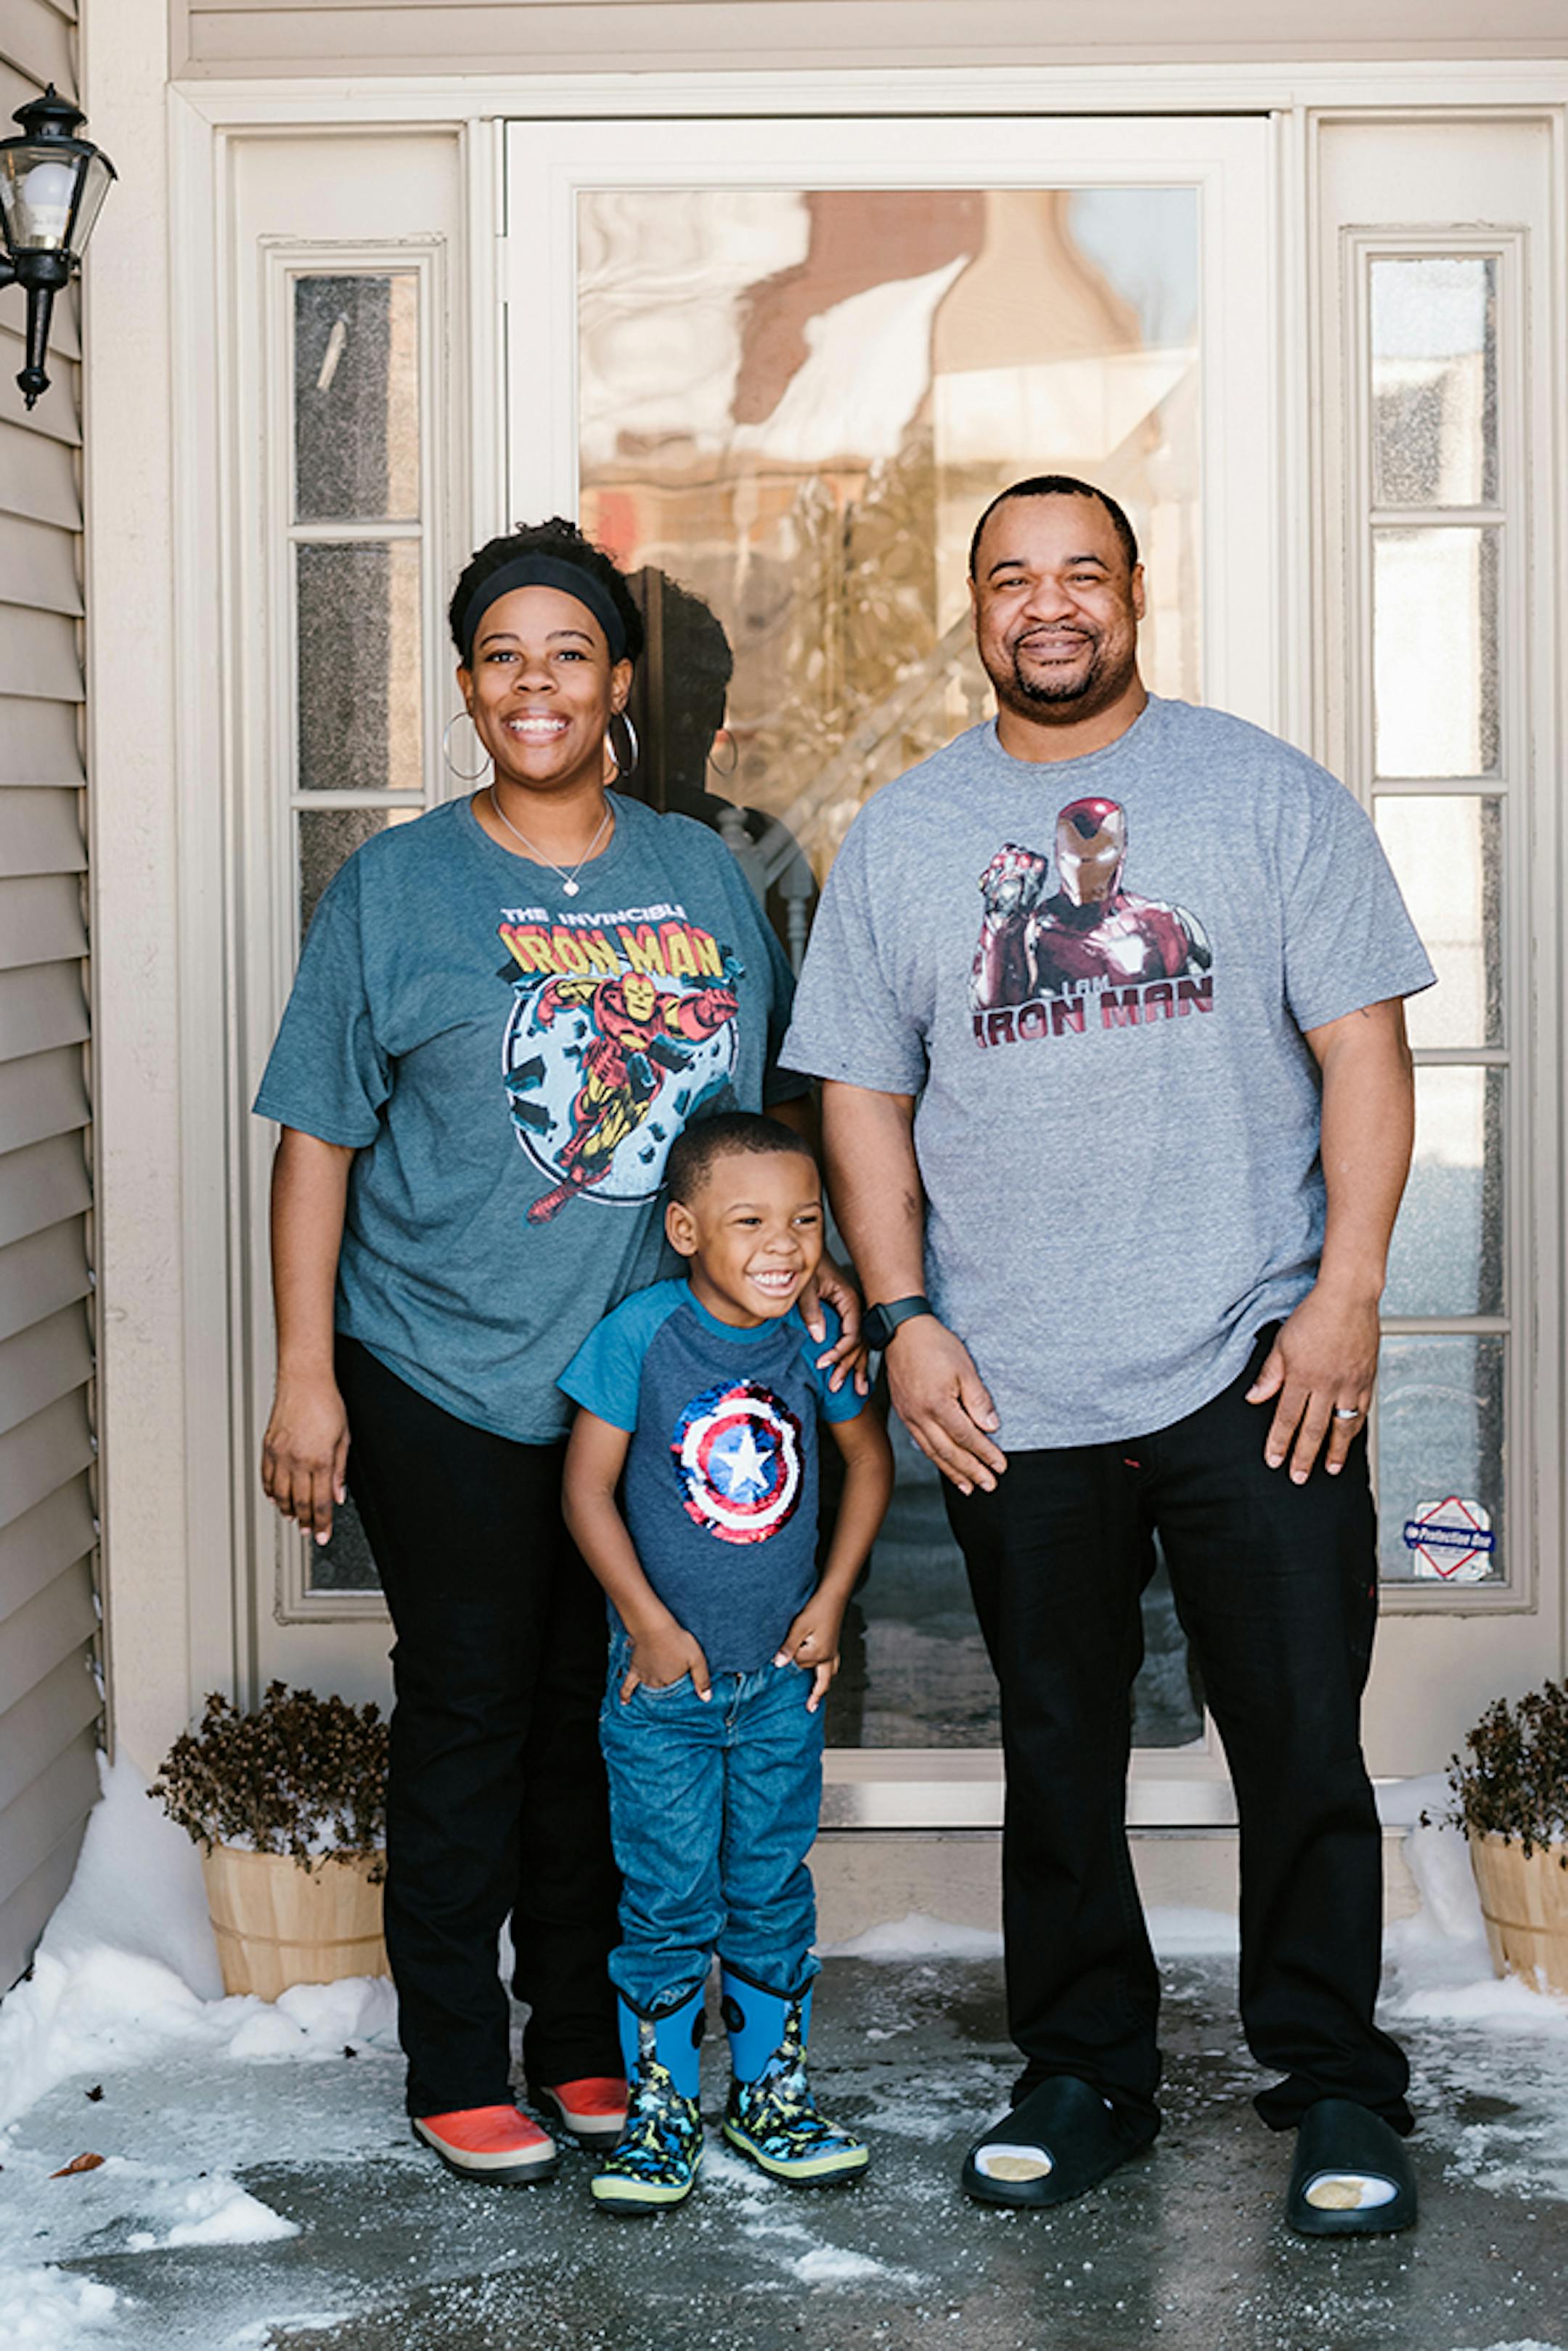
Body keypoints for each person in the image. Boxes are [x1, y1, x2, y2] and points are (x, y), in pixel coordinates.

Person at [780, 473, 1434, 2238]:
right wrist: (906, 1317)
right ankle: (1083, 2070)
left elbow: (1365, 1052)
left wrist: (1349, 1291)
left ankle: (1337, 2081)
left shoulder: (1264, 795)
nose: (1047, 602)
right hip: (1016, 1380)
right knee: (1057, 1743)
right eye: (1011, 577)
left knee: (1300, 1737)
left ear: (1139, 587)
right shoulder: (908, 837)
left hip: (1255, 1354)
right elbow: (862, 1090)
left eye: (1081, 570)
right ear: (973, 608)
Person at [254, 518, 859, 2186]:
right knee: (468, 1712)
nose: (538, 682)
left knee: (620, 1710)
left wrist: (809, 1271)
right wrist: (308, 1370)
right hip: (438, 1364)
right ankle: (457, 2054)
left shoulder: (701, 876)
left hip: (648, 1385)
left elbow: (759, 1122)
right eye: (504, 654)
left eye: (570, 652)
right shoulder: (396, 887)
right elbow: (316, 1136)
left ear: (615, 686)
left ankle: (586, 2039)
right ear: (467, 686)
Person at [560, 1113, 894, 2212]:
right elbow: (585, 1490)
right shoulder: (643, 1334)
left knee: (767, 1889)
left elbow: (864, 1458)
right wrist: (646, 1620)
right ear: (687, 1227)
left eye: (805, 1219)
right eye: (751, 1220)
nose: (785, 1244)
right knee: (665, 1899)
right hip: (665, 1689)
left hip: (782, 1686)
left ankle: (768, 2099)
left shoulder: (810, 1333)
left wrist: (834, 1599)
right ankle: (659, 2114)